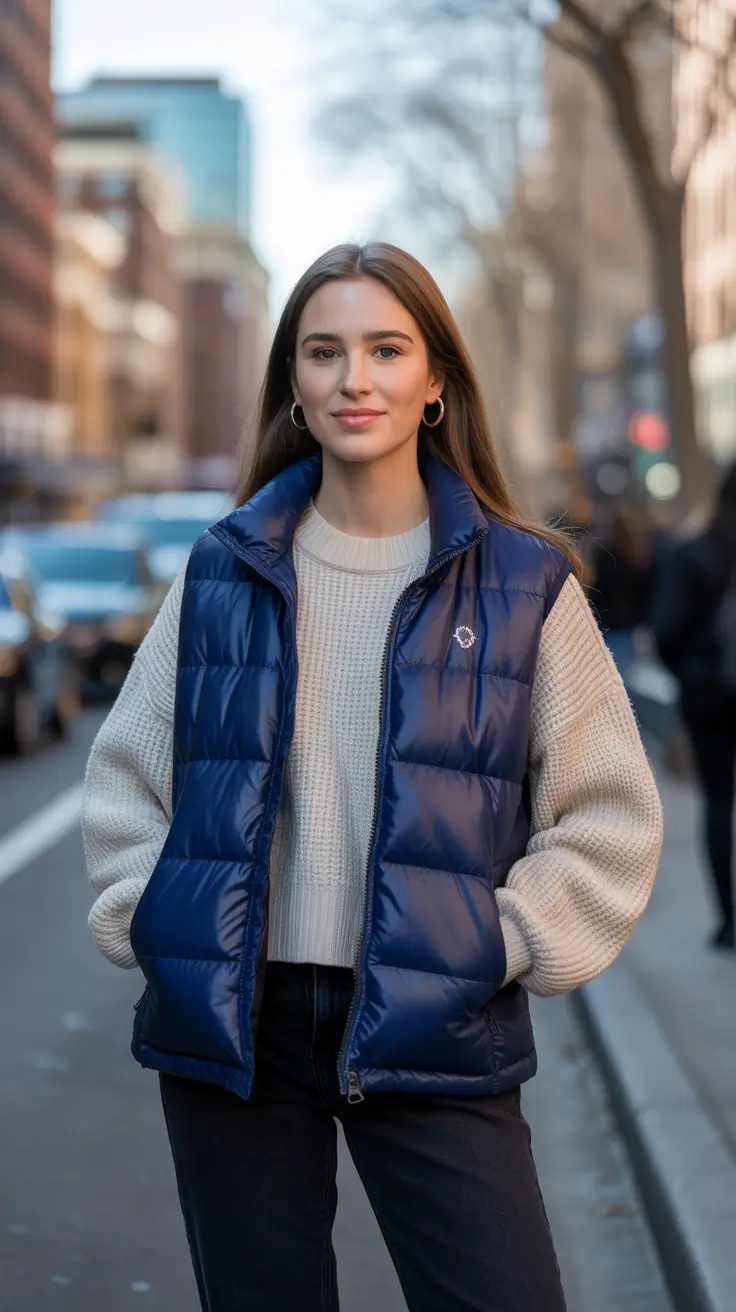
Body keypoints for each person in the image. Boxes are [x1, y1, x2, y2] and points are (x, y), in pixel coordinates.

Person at [81, 243, 662, 1312]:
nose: (355, 378)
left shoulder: (524, 582)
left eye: (386, 349)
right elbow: (125, 773)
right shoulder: (223, 567)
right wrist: (144, 914)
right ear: (294, 386)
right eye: (324, 352)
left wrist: (507, 939)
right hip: (234, 1024)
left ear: (434, 381)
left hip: (435, 1014)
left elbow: (608, 810)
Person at [651, 463, 736, 951]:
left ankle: (728, 919)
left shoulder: (698, 555)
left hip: (710, 700)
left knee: (720, 804)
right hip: (710, 691)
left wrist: (692, 676)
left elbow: (667, 629)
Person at [589, 504, 655, 684]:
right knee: (631, 677)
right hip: (631, 627)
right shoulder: (639, 557)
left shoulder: (604, 555)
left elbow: (598, 591)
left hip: (609, 624)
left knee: (612, 676)